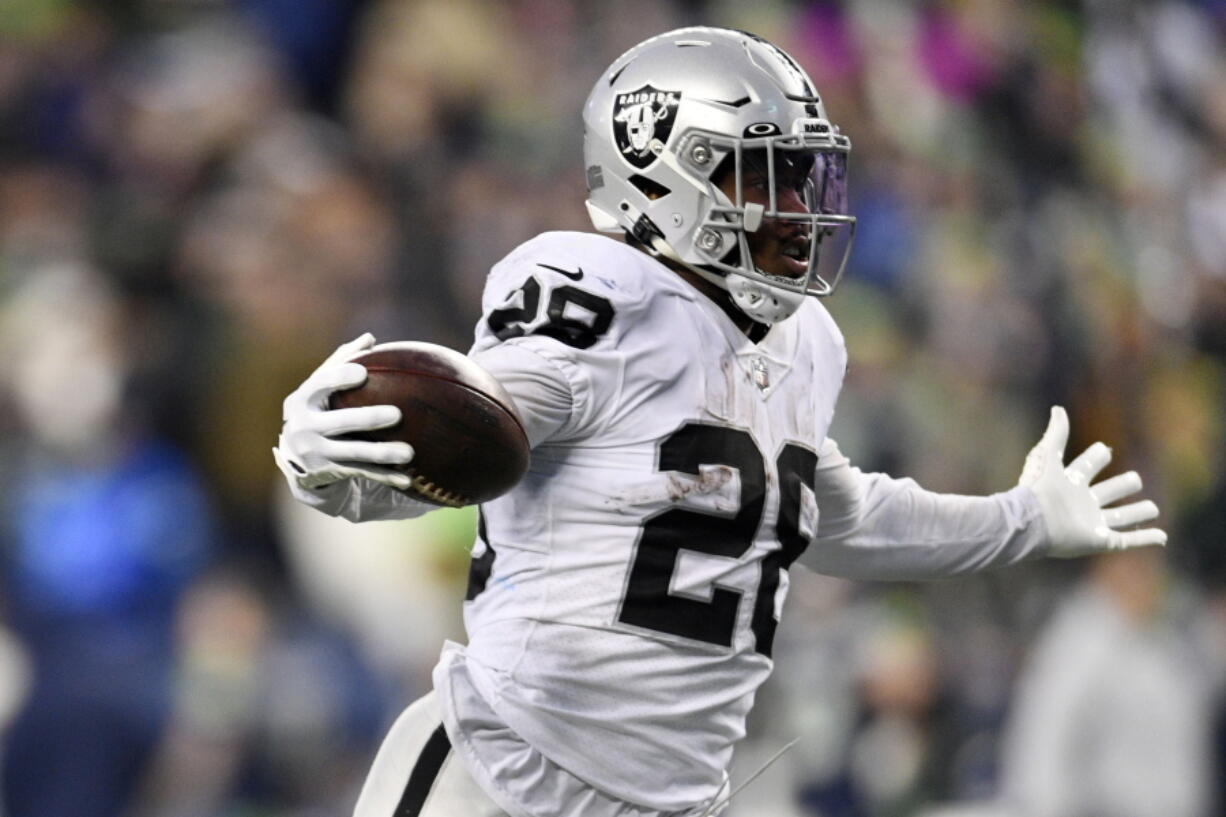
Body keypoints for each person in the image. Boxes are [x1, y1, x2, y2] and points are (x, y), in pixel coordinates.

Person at [272, 27, 1166, 817]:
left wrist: (1023, 518)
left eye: (805, 175)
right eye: (763, 177)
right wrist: (337, 467)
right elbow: (475, 432)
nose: (798, 209)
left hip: (676, 799)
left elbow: (839, 516)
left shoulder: (803, 339)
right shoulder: (599, 303)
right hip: (503, 774)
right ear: (658, 174)